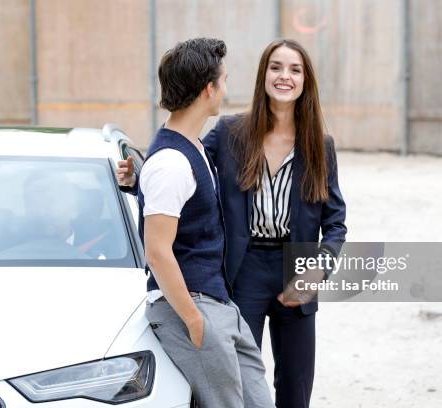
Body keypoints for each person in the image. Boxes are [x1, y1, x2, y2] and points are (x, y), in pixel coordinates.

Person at [118, 38, 347, 408]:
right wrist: (136, 178)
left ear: (306, 81)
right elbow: (184, 173)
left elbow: (336, 224)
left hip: (298, 268)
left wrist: (317, 271)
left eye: (295, 69)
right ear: (263, 76)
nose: (284, 76)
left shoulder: (321, 145)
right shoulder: (229, 133)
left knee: (296, 385)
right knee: (236, 385)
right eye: (275, 67)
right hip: (243, 269)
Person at [120, 38, 274, 408]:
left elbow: (179, 203)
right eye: (224, 80)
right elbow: (157, 252)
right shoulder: (171, 163)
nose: (226, 88)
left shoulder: (192, 149)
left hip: (220, 306)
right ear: (209, 89)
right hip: (194, 306)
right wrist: (193, 321)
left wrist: (137, 177)